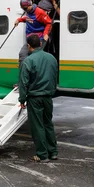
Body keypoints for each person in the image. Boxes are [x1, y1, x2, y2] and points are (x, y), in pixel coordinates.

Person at [18, 34, 59, 162]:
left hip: (35, 97)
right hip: (48, 96)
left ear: (29, 46)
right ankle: (53, 152)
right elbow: (54, 76)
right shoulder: (52, 58)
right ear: (40, 44)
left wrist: (22, 99)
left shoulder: (28, 61)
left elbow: (23, 83)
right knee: (48, 124)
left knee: (38, 126)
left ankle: (42, 154)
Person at [14, 0, 53, 68]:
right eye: (23, 9)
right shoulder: (28, 12)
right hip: (30, 39)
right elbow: (28, 19)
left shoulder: (40, 12)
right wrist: (19, 20)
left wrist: (45, 34)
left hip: (39, 39)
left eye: (25, 8)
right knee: (22, 54)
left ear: (30, 4)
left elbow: (49, 22)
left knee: (35, 57)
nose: (24, 10)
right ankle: (23, 72)